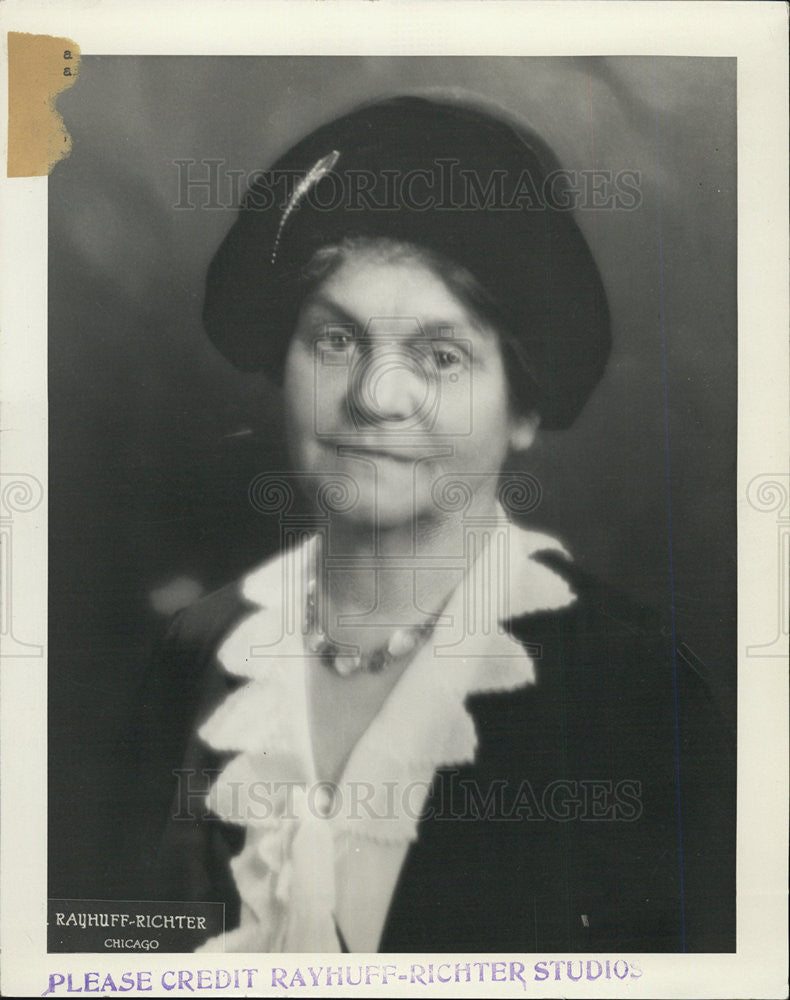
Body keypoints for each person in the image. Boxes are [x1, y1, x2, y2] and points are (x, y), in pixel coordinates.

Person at [125, 94, 735, 953]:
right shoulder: (195, 656)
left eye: (441, 357)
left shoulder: (640, 696)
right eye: (335, 341)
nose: (376, 397)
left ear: (523, 409)